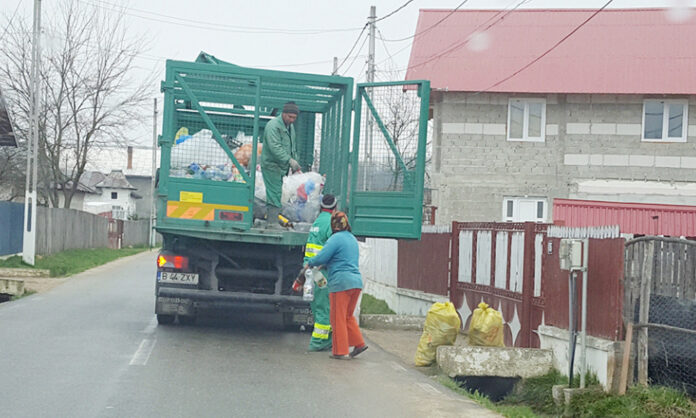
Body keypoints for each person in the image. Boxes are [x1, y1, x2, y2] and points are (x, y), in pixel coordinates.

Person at [307, 211, 368, 360]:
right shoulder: (351, 239)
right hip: (356, 282)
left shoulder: (335, 239)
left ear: (333, 226)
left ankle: (340, 351)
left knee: (337, 318)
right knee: (347, 316)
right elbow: (341, 258)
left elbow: (322, 256)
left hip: (341, 283)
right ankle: (359, 343)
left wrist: (311, 262)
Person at [301, 194, 337, 351]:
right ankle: (318, 342)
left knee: (317, 306)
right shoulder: (330, 222)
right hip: (322, 271)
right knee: (324, 307)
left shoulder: (317, 222)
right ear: (334, 208)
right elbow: (333, 247)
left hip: (311, 272)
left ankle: (326, 339)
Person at [260, 101, 302, 228]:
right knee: (274, 192)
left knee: (277, 192)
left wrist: (295, 161)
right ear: (283, 114)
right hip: (271, 165)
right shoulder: (273, 126)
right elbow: (275, 147)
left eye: (294, 118)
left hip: (280, 166)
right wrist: (290, 161)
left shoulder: (289, 126)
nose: (292, 120)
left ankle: (272, 219)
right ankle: (272, 222)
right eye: (290, 117)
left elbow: (292, 146)